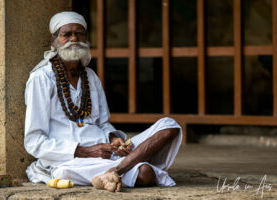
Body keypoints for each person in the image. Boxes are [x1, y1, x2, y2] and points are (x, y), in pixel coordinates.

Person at [24, 11, 182, 192]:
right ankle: (126, 167)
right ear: (54, 41)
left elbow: (102, 122)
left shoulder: (90, 76)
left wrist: (113, 137)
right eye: (66, 34)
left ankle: (115, 171)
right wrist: (85, 151)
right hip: (70, 161)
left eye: (79, 34)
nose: (74, 39)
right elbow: (34, 142)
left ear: (86, 39)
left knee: (170, 126)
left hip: (108, 154)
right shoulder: (41, 78)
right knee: (146, 174)